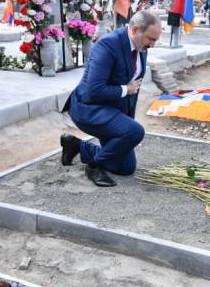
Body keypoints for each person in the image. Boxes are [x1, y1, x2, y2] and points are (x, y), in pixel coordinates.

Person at [60, 11, 162, 187]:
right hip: (89, 108)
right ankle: (93, 166)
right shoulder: (108, 45)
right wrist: (125, 89)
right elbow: (94, 90)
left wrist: (126, 124)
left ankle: (77, 146)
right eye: (150, 39)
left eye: (155, 40)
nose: (153, 44)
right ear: (135, 30)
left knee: (125, 167)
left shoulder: (141, 46)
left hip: (112, 110)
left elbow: (134, 88)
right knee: (136, 132)